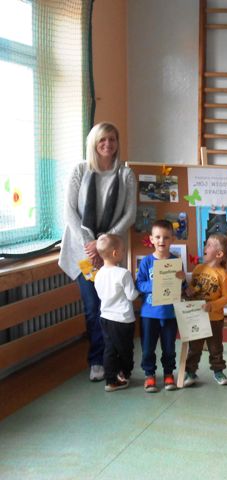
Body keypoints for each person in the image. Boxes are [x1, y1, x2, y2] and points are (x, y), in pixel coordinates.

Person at [58, 122, 137, 382]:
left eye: (112, 139)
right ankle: (97, 361)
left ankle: (115, 360)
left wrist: (103, 241)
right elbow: (69, 211)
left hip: (111, 252)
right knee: (93, 308)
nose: (107, 144)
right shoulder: (80, 170)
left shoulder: (126, 174)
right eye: (102, 139)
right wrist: (90, 242)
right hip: (83, 252)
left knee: (113, 307)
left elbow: (129, 214)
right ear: (93, 143)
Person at [135, 220, 186, 393]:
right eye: (157, 237)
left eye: (166, 237)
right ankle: (149, 375)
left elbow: (182, 287)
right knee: (148, 348)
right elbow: (139, 284)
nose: (161, 241)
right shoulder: (146, 262)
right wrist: (153, 284)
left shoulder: (176, 261)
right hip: (149, 314)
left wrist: (182, 280)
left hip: (170, 313)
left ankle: (168, 374)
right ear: (151, 239)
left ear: (172, 239)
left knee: (169, 347)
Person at [183, 233, 227, 387]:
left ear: (219, 254)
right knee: (194, 348)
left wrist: (212, 305)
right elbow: (193, 289)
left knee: (215, 348)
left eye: (210, 245)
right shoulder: (198, 268)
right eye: (206, 244)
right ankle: (190, 372)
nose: (205, 246)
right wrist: (189, 291)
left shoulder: (223, 274)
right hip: (197, 317)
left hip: (215, 319)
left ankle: (218, 371)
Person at [93, 234, 138, 392]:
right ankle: (124, 374)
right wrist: (138, 288)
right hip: (123, 319)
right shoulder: (123, 273)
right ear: (115, 253)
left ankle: (110, 380)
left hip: (105, 317)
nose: (124, 252)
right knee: (125, 349)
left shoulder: (99, 273)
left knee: (110, 349)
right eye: (123, 250)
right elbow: (131, 296)